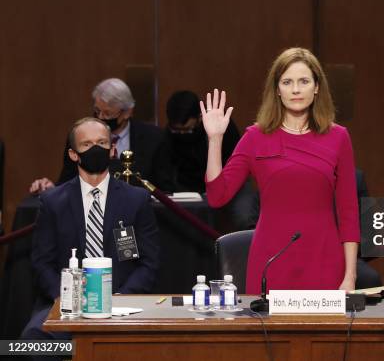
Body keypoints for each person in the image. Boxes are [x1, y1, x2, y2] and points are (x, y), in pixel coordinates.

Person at [201, 47, 360, 293]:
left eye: (304, 81)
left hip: (324, 260)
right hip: (271, 261)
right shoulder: (255, 137)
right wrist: (215, 140)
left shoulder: (338, 137)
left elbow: (349, 212)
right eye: (287, 82)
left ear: (317, 87)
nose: (296, 90)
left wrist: (350, 276)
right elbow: (217, 195)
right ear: (277, 89)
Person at [21, 118, 159, 359]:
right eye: (87, 145)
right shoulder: (53, 202)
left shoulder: (135, 199)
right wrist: (66, 299)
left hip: (122, 304)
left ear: (113, 149)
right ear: (74, 154)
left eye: (102, 142)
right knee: (32, 342)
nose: (96, 149)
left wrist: (121, 298)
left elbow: (148, 262)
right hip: (66, 305)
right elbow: (42, 262)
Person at [29, 78, 173, 193]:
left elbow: (164, 187)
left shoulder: (154, 138)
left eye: (108, 113)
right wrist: (50, 188)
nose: (101, 117)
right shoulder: (80, 134)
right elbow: (68, 180)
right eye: (97, 111)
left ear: (127, 112)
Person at [165, 90, 241, 192]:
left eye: (187, 129)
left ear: (200, 117)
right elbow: (166, 169)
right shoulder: (170, 132)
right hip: (184, 188)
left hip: (222, 181)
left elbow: (234, 163)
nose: (182, 134)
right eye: (177, 130)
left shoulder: (220, 125)